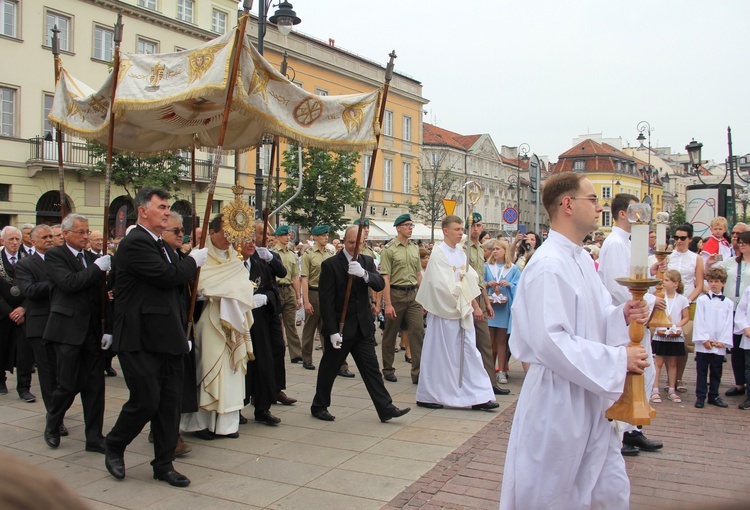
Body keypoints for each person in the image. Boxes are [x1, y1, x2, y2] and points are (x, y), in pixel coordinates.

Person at [500, 173, 650, 510]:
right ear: (567, 204)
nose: (600, 207)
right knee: (551, 492)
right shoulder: (548, 266)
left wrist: (621, 315)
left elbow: (594, 322)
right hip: (558, 399)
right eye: (593, 199)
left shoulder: (581, 258)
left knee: (608, 488)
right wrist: (617, 360)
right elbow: (551, 342)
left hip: (590, 395)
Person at [105, 188, 207, 487]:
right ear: (142, 211)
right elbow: (167, 276)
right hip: (139, 337)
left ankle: (163, 463)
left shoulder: (159, 244)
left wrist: (182, 331)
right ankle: (115, 443)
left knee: (169, 404)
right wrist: (193, 262)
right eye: (161, 207)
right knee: (146, 400)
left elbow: (171, 293)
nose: (166, 211)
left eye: (167, 207)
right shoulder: (135, 243)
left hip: (167, 337)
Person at [311, 226, 410, 423]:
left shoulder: (366, 261)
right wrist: (331, 331)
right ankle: (319, 406)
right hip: (340, 328)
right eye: (350, 243)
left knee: (372, 369)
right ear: (344, 241)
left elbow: (379, 284)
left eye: (359, 243)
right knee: (329, 368)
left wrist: (365, 274)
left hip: (362, 327)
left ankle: (386, 408)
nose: (355, 247)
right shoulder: (331, 265)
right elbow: (326, 302)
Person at [597, 193, 662, 457]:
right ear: (624, 213)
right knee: (628, 373)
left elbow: (634, 275)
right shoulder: (614, 243)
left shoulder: (628, 241)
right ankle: (621, 432)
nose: (641, 216)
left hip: (636, 315)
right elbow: (616, 284)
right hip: (624, 318)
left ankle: (633, 429)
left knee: (645, 372)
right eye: (637, 211)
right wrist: (646, 300)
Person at [180, 214, 253, 441]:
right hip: (210, 320)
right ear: (212, 232)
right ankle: (200, 423)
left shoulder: (235, 258)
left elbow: (243, 285)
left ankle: (226, 424)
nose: (229, 238)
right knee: (208, 366)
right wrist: (206, 290)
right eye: (225, 233)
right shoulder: (201, 257)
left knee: (232, 371)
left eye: (233, 234)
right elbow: (198, 285)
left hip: (234, 322)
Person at [415, 215, 499, 411]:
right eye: (457, 229)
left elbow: (469, 279)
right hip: (445, 311)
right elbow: (440, 284)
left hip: (463, 311)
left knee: (470, 352)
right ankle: (429, 394)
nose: (461, 232)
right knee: (440, 354)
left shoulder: (462, 252)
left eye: (462, 229)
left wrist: (475, 305)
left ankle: (478, 395)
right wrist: (461, 297)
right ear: (445, 231)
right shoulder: (438, 253)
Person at [44, 214, 111, 454]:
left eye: (87, 232)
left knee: (95, 387)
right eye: (80, 232)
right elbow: (69, 283)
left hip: (92, 331)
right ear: (66, 234)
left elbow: (103, 297)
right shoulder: (55, 256)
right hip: (67, 331)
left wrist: (108, 329)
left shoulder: (94, 258)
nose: (85, 237)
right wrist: (96, 268)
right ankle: (53, 423)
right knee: (66, 384)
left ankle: (94, 437)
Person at [242, 221, 296, 426]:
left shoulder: (269, 254)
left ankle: (272, 391)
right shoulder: (246, 255)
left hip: (270, 308)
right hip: (250, 313)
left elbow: (281, 273)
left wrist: (270, 257)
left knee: (276, 350)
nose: (266, 238)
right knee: (254, 359)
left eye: (269, 235)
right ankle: (251, 400)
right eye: (261, 234)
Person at [15, 225, 58, 414]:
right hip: (40, 324)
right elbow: (30, 291)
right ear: (33, 241)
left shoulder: (60, 259)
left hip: (63, 322)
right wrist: (58, 280)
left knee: (63, 372)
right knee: (48, 372)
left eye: (51, 236)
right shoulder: (25, 264)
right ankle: (54, 415)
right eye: (44, 237)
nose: (49, 239)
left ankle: (60, 408)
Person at [380, 213, 424, 384]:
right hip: (396, 294)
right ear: (398, 228)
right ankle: (388, 369)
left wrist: (424, 296)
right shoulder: (389, 249)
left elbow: (419, 274)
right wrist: (388, 304)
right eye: (407, 225)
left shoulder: (414, 247)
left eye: (412, 225)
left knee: (418, 332)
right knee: (390, 334)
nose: (410, 228)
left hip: (413, 295)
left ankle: (418, 373)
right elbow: (386, 278)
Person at [467, 213, 507, 396]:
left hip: (480, 298)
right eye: (473, 226)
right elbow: (464, 280)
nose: (476, 229)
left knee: (485, 344)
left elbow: (480, 280)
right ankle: (472, 382)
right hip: (467, 300)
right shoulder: (464, 249)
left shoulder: (479, 249)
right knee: (468, 344)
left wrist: (487, 303)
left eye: (479, 226)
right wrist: (475, 305)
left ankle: (491, 383)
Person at [692, 266, 733, 409]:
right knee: (701, 370)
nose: (713, 284)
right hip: (705, 343)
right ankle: (700, 396)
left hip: (719, 343)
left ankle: (714, 395)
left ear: (723, 283)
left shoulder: (728, 303)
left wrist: (723, 341)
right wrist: (704, 339)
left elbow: (728, 323)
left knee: (716, 370)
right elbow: (699, 320)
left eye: (716, 281)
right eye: (711, 281)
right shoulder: (702, 300)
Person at [483, 238, 519, 386]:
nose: (495, 251)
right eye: (494, 249)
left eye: (498, 249)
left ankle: (502, 370)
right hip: (490, 306)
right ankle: (488, 370)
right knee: (489, 340)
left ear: (505, 251)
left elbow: (519, 286)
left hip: (504, 307)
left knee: (502, 340)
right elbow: (480, 282)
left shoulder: (513, 269)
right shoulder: (487, 267)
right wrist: (488, 284)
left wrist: (510, 285)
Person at [650, 269, 689, 404]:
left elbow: (686, 317)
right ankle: (655, 389)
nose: (664, 283)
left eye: (667, 280)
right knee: (658, 362)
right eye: (664, 280)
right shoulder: (659, 297)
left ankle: (672, 389)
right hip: (661, 332)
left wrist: (676, 325)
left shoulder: (682, 299)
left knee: (673, 363)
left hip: (675, 333)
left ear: (675, 283)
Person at [0, 226, 30, 399]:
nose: (14, 242)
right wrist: (10, 312)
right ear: (3, 240)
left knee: (24, 353)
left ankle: (24, 387)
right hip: (3, 312)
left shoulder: (28, 259)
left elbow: (34, 287)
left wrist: (23, 308)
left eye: (17, 239)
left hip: (23, 312)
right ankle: (0, 380)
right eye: (10, 239)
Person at [299, 225, 332, 371]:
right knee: (310, 328)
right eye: (323, 235)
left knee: (327, 328)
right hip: (313, 292)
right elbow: (304, 278)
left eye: (327, 235)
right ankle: (307, 358)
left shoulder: (330, 253)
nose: (326, 238)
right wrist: (306, 300)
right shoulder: (308, 254)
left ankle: (328, 359)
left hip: (327, 294)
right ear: (316, 237)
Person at [723, 230, 750, 398]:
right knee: (736, 349)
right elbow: (714, 275)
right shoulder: (731, 262)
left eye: (744, 242)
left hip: (748, 311)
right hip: (733, 308)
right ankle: (739, 383)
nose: (741, 245)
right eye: (739, 242)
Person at [274, 225, 303, 364]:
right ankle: (277, 350)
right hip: (276, 288)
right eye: (284, 235)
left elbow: (295, 277)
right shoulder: (272, 253)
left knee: (290, 323)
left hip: (289, 289)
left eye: (288, 235)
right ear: (278, 237)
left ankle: (296, 353)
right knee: (276, 323)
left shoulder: (292, 254)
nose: (287, 237)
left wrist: (298, 297)